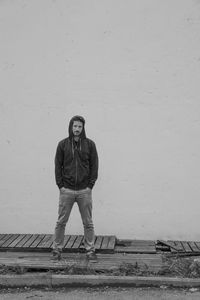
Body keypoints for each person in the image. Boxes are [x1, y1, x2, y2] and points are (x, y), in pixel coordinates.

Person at [52, 115, 99, 261]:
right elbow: (57, 166)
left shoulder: (90, 145)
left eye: (79, 126)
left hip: (84, 190)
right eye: (75, 126)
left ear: (83, 128)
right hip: (67, 190)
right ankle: (56, 250)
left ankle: (90, 250)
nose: (77, 129)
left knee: (88, 223)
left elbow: (94, 166)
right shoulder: (63, 145)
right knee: (61, 222)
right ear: (70, 127)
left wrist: (90, 185)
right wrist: (60, 185)